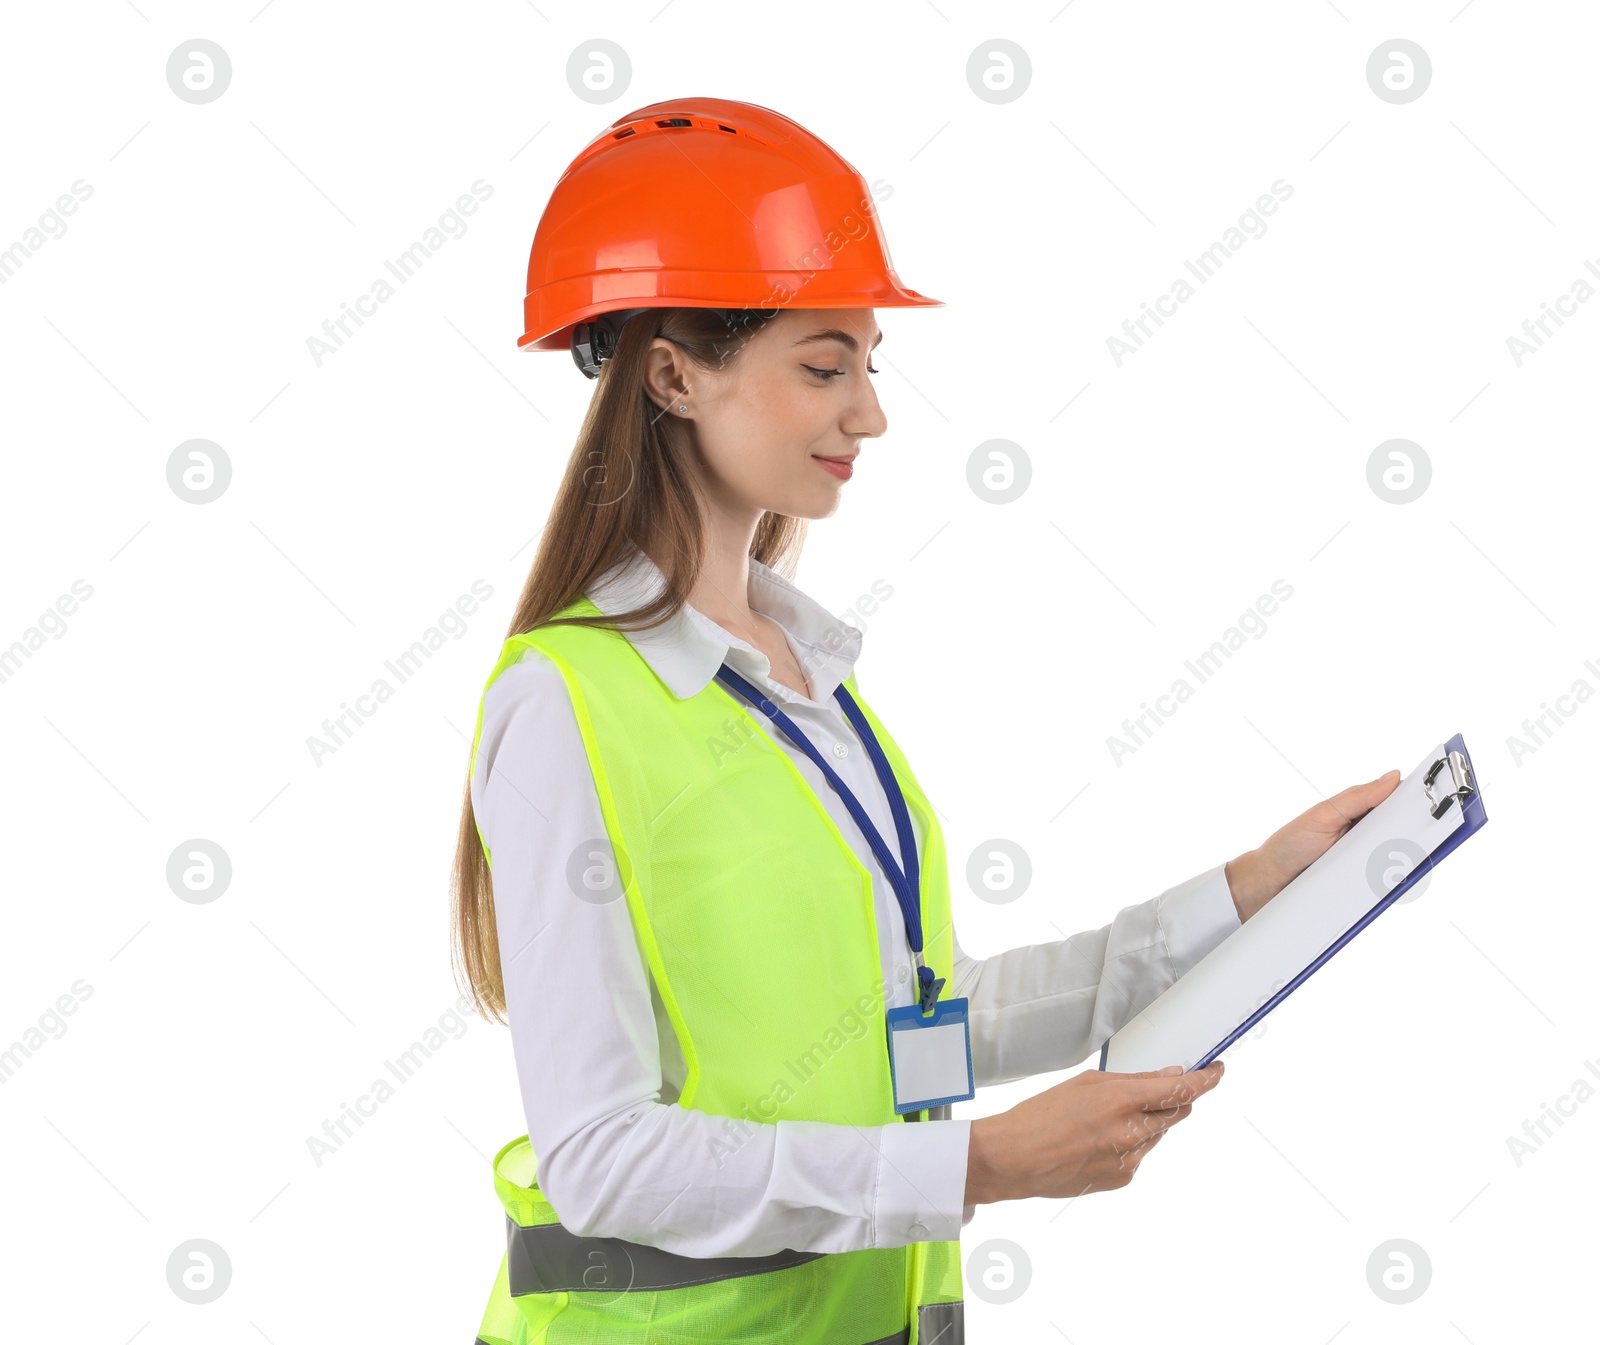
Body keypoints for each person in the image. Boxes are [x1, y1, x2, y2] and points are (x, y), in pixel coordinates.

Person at [450, 96, 1400, 1345]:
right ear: (675, 375)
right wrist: (982, 1168)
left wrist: (1241, 894)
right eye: (824, 365)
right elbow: (602, 1158)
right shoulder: (565, 708)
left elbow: (914, 1037)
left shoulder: (807, 679)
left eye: (869, 366)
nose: (870, 413)